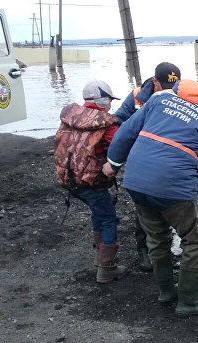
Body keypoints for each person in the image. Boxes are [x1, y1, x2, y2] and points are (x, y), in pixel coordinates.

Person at [103, 76, 198, 317]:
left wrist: (113, 163)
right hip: (174, 186)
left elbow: (126, 132)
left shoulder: (161, 98)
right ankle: (188, 302)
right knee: (195, 238)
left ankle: (166, 292)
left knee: (157, 236)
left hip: (137, 181)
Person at [54, 79, 128, 284]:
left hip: (69, 180)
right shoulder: (107, 124)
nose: (111, 105)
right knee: (108, 219)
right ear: (103, 101)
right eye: (110, 100)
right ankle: (107, 268)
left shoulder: (70, 117)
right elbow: (120, 147)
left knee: (99, 213)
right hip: (91, 181)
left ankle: (100, 258)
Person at [112, 62, 181, 272]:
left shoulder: (179, 95)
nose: (170, 91)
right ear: (154, 81)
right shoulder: (136, 97)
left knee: (167, 206)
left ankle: (164, 251)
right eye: (165, 86)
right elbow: (117, 122)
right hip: (139, 157)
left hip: (165, 159)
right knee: (142, 209)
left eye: (174, 86)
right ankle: (144, 252)